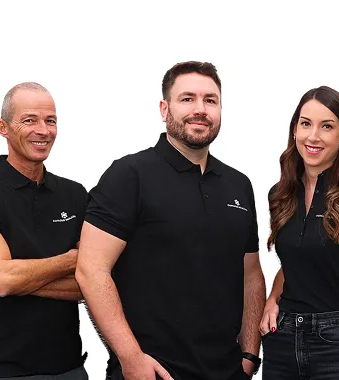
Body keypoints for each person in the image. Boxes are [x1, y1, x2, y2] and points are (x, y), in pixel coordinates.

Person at [77, 61, 265, 380]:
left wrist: (249, 354)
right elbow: (91, 270)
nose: (200, 109)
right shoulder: (129, 176)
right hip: (153, 373)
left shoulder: (238, 185)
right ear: (165, 109)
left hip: (228, 371)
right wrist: (131, 358)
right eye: (187, 98)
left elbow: (250, 275)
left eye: (210, 100)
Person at [0, 82, 88, 380]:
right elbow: (2, 280)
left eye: (50, 120)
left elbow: (93, 283)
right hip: (0, 371)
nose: (43, 130)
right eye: (30, 120)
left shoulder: (75, 194)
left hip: (69, 370)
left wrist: (16, 279)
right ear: (3, 127)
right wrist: (72, 260)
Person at [259, 86, 339, 380]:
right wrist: (271, 299)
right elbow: (298, 261)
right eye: (305, 124)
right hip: (283, 340)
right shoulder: (280, 194)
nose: (313, 136)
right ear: (295, 130)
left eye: (326, 126)